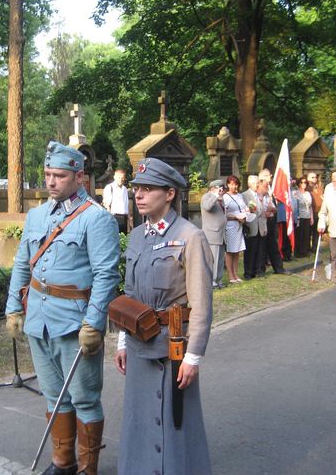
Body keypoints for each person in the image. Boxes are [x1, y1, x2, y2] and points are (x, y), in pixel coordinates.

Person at [5, 141, 120, 475]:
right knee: (54, 396)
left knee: (84, 399)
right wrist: (14, 307)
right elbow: (22, 264)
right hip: (39, 320)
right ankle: (63, 463)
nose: (50, 182)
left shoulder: (96, 219)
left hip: (74, 324)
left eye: (58, 175)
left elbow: (105, 274)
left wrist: (94, 323)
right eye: (47, 175)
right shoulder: (37, 215)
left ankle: (87, 469)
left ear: (79, 177)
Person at [114, 157, 213, 475]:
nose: (139, 195)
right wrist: (120, 340)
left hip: (172, 348)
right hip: (138, 342)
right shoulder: (138, 235)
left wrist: (193, 356)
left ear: (170, 193)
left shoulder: (190, 236)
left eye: (147, 189)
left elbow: (201, 304)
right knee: (139, 418)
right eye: (136, 189)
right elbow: (128, 293)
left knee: (174, 423)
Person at [258, 169, 286, 275]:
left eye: (269, 175)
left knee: (273, 244)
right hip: (262, 220)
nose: (268, 177)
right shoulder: (258, 189)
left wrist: (272, 209)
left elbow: (274, 207)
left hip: (271, 220)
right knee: (262, 246)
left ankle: (278, 267)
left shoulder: (272, 189)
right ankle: (261, 268)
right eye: (265, 176)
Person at [223, 175, 250, 283]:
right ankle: (230, 275)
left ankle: (236, 274)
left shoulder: (239, 196)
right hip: (230, 225)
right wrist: (235, 217)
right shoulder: (226, 197)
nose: (233, 186)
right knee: (230, 251)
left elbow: (243, 208)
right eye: (231, 184)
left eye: (235, 184)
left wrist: (246, 212)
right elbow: (224, 213)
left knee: (237, 250)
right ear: (228, 184)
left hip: (239, 225)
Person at [200, 179, 227, 288]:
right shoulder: (207, 197)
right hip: (212, 233)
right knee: (213, 259)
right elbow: (207, 206)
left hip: (221, 233)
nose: (221, 191)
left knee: (220, 259)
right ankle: (212, 281)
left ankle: (219, 280)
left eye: (222, 189)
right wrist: (215, 195)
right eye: (219, 188)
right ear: (213, 189)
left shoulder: (221, 199)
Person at [242, 175, 265, 279]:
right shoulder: (244, 195)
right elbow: (244, 210)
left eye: (258, 183)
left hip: (260, 226)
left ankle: (258, 270)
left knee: (259, 250)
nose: (258, 185)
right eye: (256, 183)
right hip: (250, 226)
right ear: (250, 184)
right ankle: (248, 272)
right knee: (250, 251)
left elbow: (261, 210)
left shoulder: (259, 195)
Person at [102, 168, 130, 234]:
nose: (120, 179)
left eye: (122, 177)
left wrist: (129, 220)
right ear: (114, 177)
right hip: (114, 217)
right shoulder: (109, 187)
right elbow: (106, 205)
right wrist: (110, 219)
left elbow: (127, 205)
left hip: (124, 217)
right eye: (118, 177)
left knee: (124, 239)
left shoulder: (125, 189)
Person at [294, 176, 313, 258]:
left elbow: (310, 206)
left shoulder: (308, 193)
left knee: (306, 234)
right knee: (299, 234)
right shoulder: (296, 193)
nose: (304, 184)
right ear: (299, 184)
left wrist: (311, 217)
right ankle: (298, 252)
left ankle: (305, 251)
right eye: (302, 182)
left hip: (307, 215)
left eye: (305, 182)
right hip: (299, 216)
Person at [307, 172, 323, 253]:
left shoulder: (319, 188)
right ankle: (308, 248)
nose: (314, 179)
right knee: (309, 232)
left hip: (319, 213)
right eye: (312, 177)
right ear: (308, 178)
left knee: (317, 232)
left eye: (315, 177)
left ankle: (315, 248)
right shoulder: (307, 188)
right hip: (311, 213)